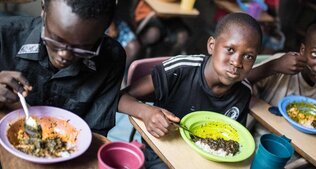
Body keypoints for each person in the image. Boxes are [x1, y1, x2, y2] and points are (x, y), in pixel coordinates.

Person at [118, 12, 262, 168]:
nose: (237, 62)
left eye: (248, 56)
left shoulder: (244, 92)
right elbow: (119, 98)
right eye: (230, 50)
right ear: (212, 46)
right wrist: (146, 112)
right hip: (162, 152)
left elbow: (231, 142)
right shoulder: (181, 69)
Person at [0, 0, 126, 136]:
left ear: (102, 32)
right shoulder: (4, 35)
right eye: (55, 40)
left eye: (82, 48)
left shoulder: (112, 58)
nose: (64, 55)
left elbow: (96, 134)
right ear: (43, 10)